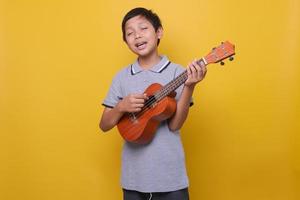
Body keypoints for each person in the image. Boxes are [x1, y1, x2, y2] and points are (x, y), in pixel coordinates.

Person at [99, 7, 207, 200]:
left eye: (143, 28)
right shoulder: (121, 77)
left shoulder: (177, 73)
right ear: (126, 41)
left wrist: (190, 86)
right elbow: (104, 125)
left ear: (159, 32)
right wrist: (121, 107)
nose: (137, 36)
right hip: (134, 179)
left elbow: (175, 125)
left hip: (170, 178)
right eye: (130, 33)